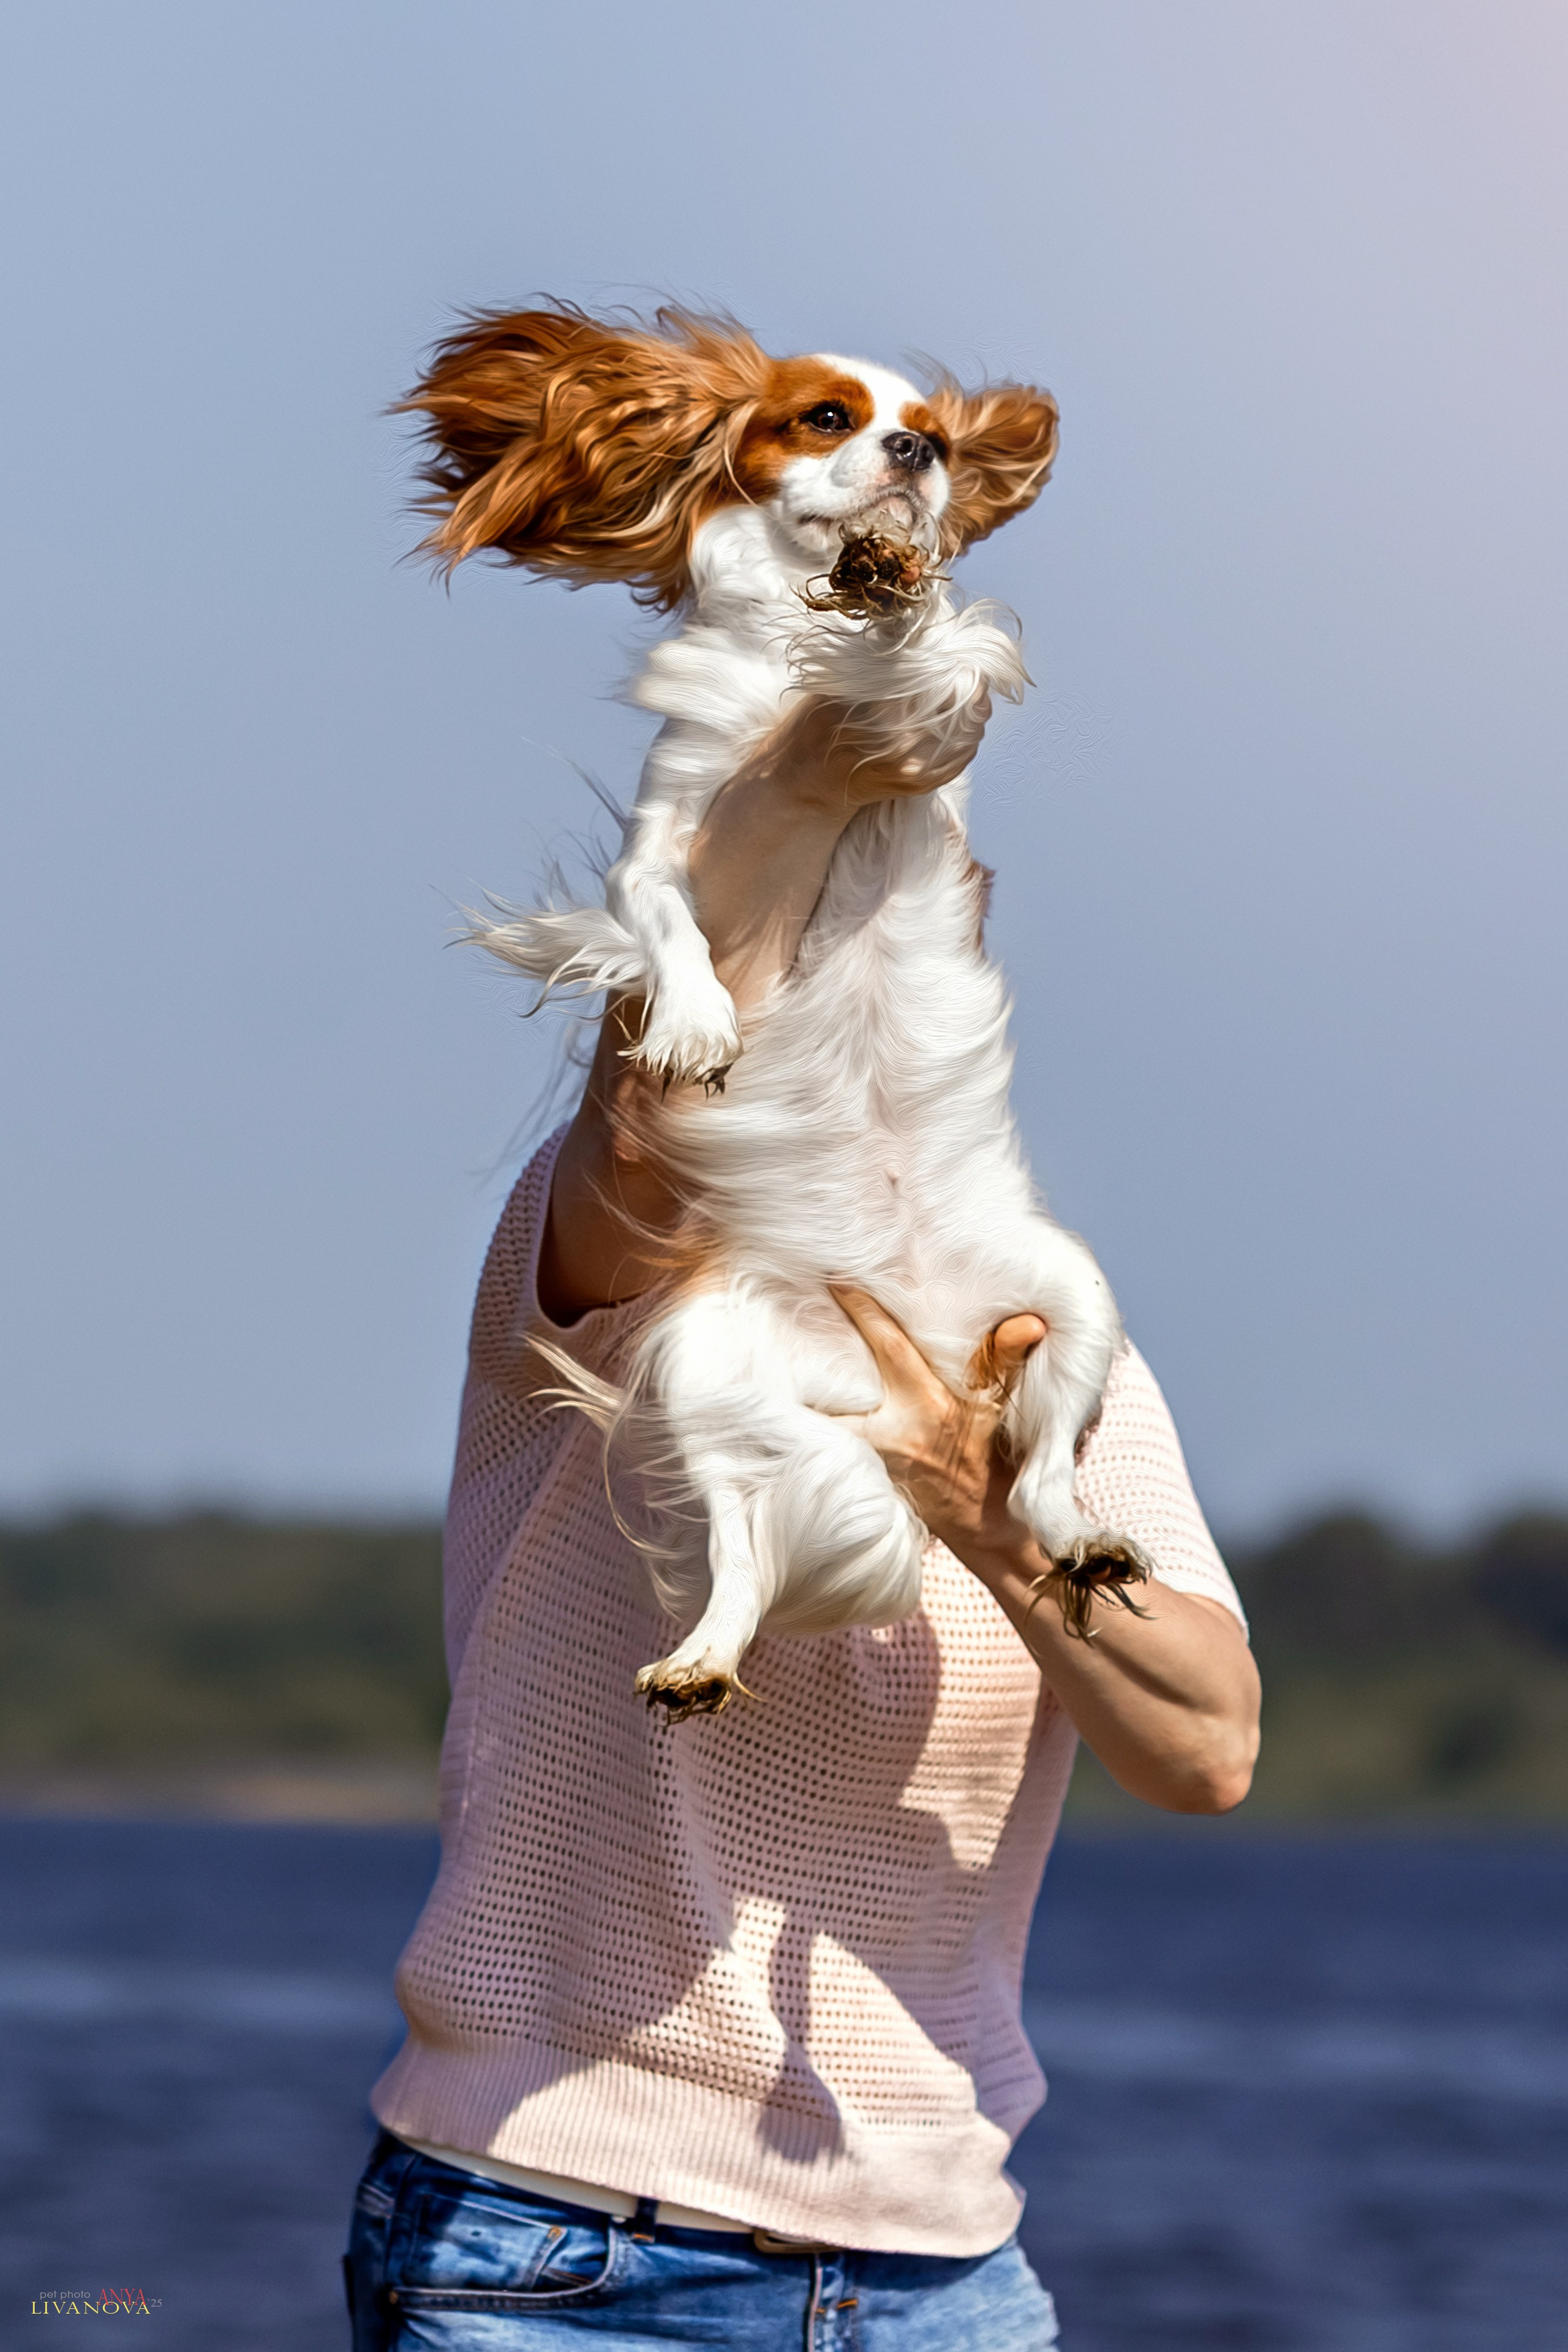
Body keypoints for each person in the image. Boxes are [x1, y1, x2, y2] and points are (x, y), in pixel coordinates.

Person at [344, 693, 1261, 2348]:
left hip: (940, 2283)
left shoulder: (1053, 1351)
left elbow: (1205, 1746)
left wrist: (991, 1518)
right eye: (812, 922)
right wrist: (803, 774)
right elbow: (664, 1119)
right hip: (556, 2261)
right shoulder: (619, 1266)